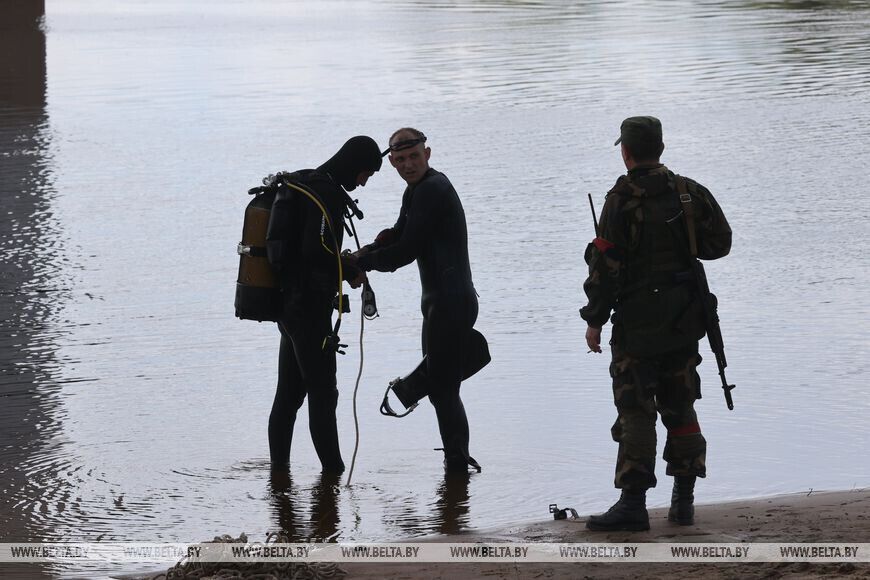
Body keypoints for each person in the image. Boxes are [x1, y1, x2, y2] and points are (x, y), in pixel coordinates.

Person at [580, 116, 732, 531]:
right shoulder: (688, 192)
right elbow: (720, 245)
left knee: (636, 411)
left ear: (626, 152)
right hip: (684, 320)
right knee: (681, 405)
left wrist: (594, 320)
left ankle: (633, 505)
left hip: (637, 325)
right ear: (660, 148)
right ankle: (683, 501)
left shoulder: (620, 199)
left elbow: (606, 268)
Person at [349, 128, 481, 473]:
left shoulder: (432, 190)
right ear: (391, 161)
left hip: (451, 303)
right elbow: (399, 233)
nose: (409, 164)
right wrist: (365, 253)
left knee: (444, 389)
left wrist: (364, 263)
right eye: (402, 159)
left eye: (415, 157)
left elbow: (406, 251)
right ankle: (456, 464)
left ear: (428, 154)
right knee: (441, 388)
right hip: (442, 302)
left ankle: (456, 469)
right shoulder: (419, 190)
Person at [268, 135, 382, 475]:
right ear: (352, 164)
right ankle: (333, 475)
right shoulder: (327, 193)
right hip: (308, 311)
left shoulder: (307, 181)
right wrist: (348, 269)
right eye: (365, 174)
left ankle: (280, 477)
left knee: (288, 396)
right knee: (323, 393)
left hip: (287, 308)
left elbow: (310, 249)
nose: (362, 182)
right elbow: (314, 249)